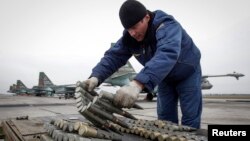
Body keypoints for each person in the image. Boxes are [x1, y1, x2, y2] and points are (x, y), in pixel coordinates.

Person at [84, 0, 202, 129]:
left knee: (190, 120)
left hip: (187, 73)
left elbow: (167, 53)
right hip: (163, 77)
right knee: (165, 120)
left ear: (146, 17)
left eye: (134, 27)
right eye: (128, 29)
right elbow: (113, 56)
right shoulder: (130, 39)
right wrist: (96, 76)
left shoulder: (167, 26)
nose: (132, 33)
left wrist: (138, 83)